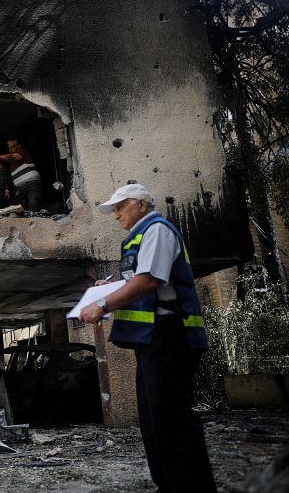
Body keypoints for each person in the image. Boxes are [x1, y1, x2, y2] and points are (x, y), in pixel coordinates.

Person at [79, 183, 216, 493]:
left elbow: (150, 280)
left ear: (141, 204)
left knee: (171, 420)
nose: (116, 215)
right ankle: (168, 486)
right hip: (152, 341)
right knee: (155, 423)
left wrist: (102, 303)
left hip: (169, 337)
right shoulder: (137, 238)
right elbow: (139, 284)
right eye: (113, 209)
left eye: (120, 207)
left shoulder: (156, 229)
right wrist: (108, 289)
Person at [0, 138, 41, 211]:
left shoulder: (23, 152)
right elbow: (12, 178)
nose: (10, 149)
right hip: (20, 189)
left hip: (31, 184)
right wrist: (11, 189)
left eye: (12, 146)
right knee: (21, 208)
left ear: (18, 146)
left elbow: (11, 156)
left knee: (33, 204)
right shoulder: (12, 164)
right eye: (9, 147)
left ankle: (39, 220)